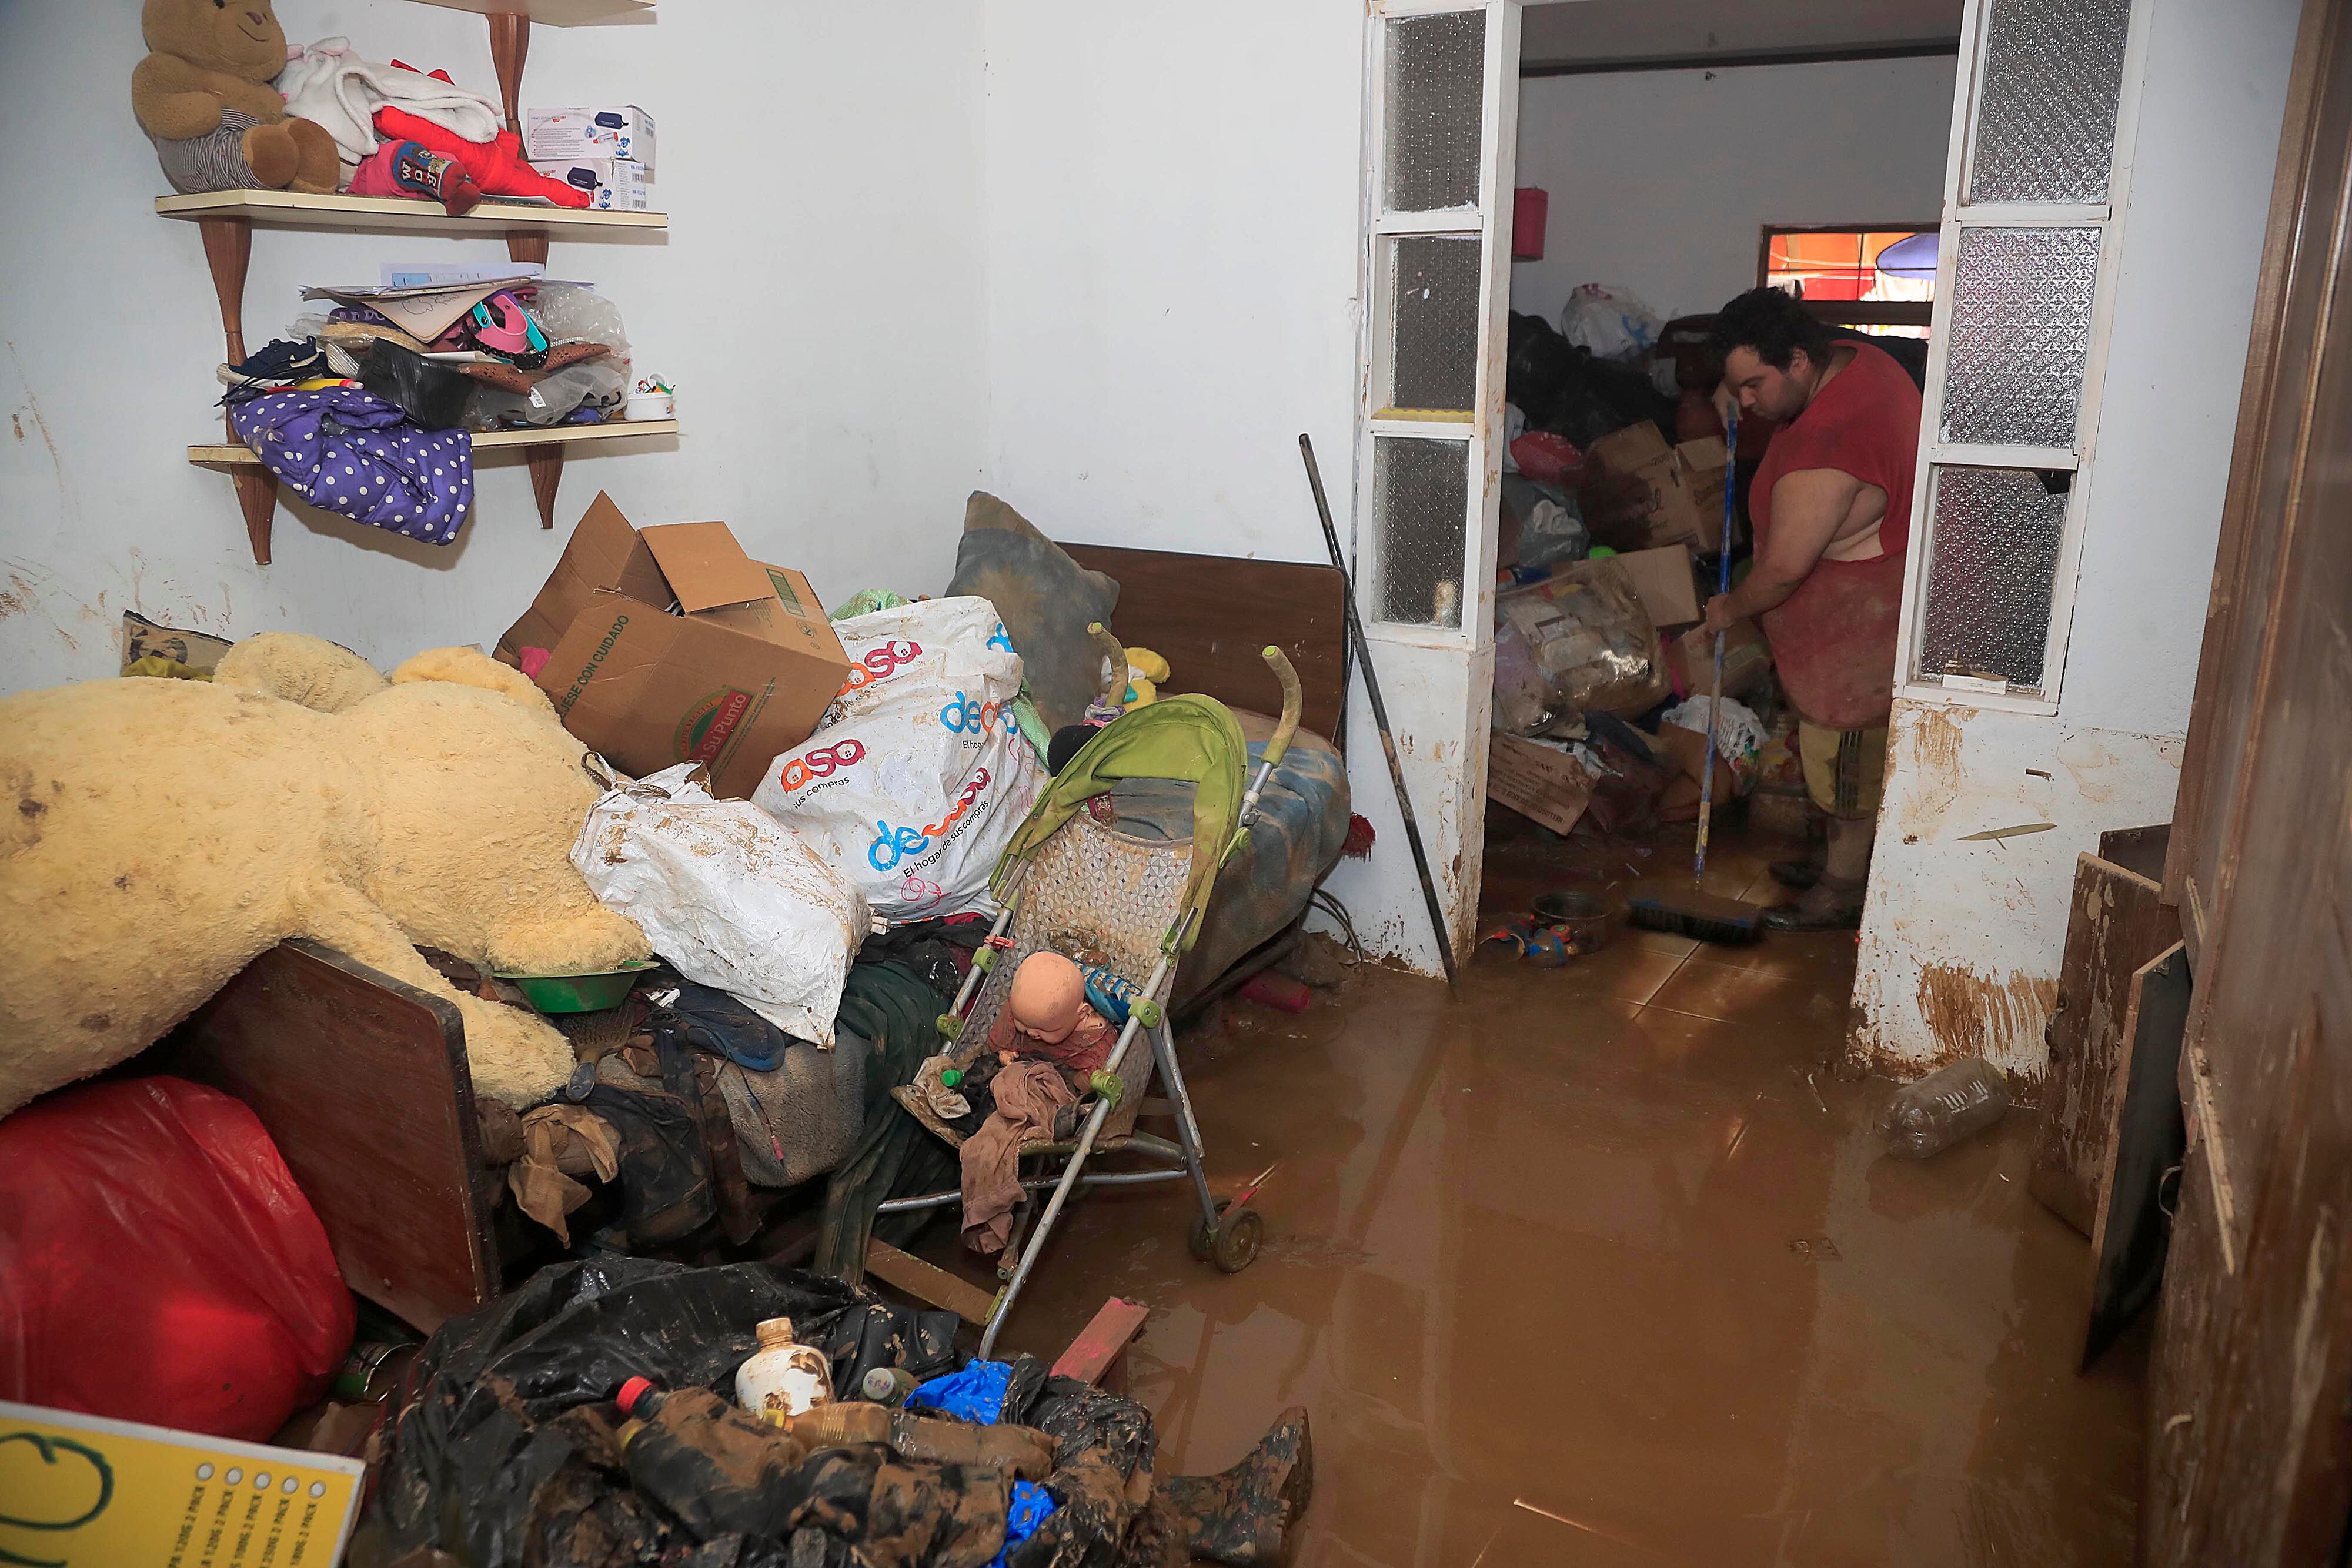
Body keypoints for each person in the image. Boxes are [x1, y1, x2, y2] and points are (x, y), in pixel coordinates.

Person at [1696, 287, 1919, 931]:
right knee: (1839, 756)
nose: (1746, 401)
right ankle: (1836, 865)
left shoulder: (1827, 443)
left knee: (1847, 761)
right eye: (1736, 388)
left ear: (1797, 360)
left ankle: (1843, 890)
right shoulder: (1855, 362)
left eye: (1753, 385)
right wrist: (1742, 395)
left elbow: (1783, 572)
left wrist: (1727, 609)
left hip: (1857, 627)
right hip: (1867, 604)